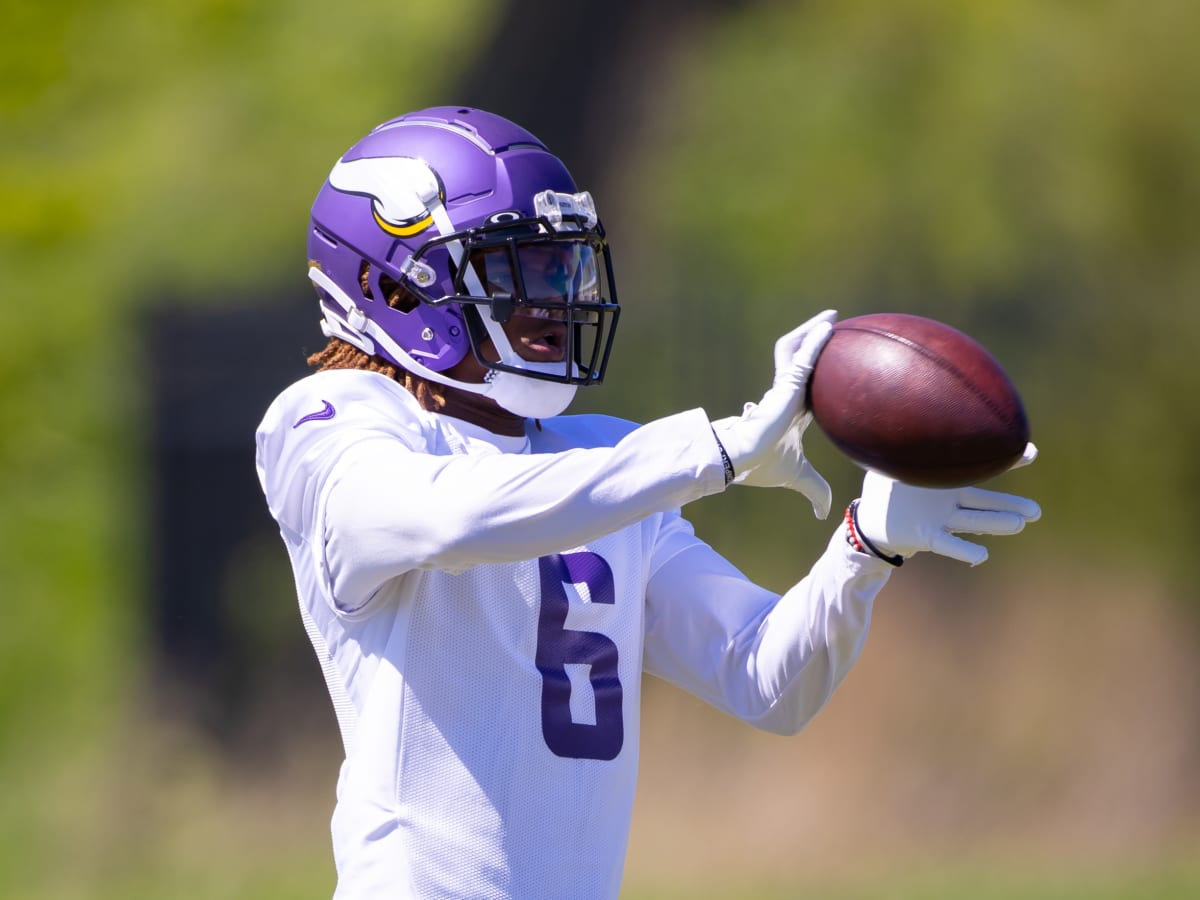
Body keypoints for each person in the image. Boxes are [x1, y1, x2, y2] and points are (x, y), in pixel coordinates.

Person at [254, 106, 1041, 899]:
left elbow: (767, 679)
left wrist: (864, 549)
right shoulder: (329, 421)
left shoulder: (606, 460)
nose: (555, 298)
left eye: (562, 267)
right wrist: (712, 450)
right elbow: (446, 515)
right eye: (512, 269)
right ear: (387, 280)